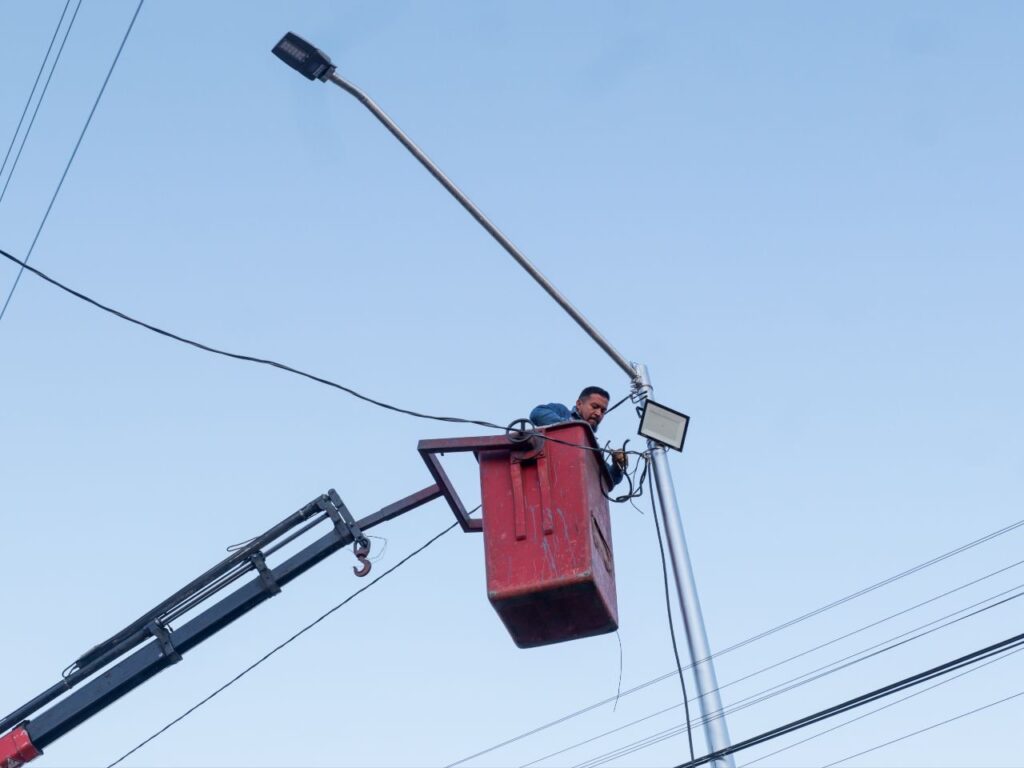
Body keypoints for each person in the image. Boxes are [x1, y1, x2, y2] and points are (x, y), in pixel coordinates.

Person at [530, 386, 627, 486]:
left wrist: (618, 465)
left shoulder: (592, 445)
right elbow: (537, 413)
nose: (598, 413)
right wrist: (571, 428)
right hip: (547, 481)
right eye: (594, 407)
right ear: (579, 404)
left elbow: (611, 478)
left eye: (603, 411)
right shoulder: (563, 412)